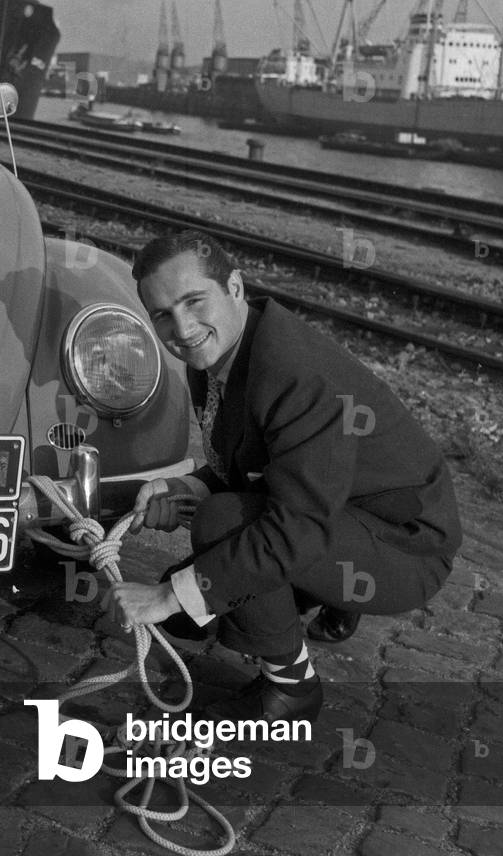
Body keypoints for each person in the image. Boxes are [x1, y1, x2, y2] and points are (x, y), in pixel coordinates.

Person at [102, 230, 461, 723]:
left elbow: (297, 528)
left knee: (225, 521)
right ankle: (310, 596)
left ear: (234, 287)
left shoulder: (294, 374)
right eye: (162, 313)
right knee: (216, 536)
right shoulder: (223, 346)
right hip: (347, 507)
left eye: (193, 301)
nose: (182, 328)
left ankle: (292, 691)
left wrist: (168, 597)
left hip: (407, 547)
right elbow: (253, 459)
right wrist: (184, 488)